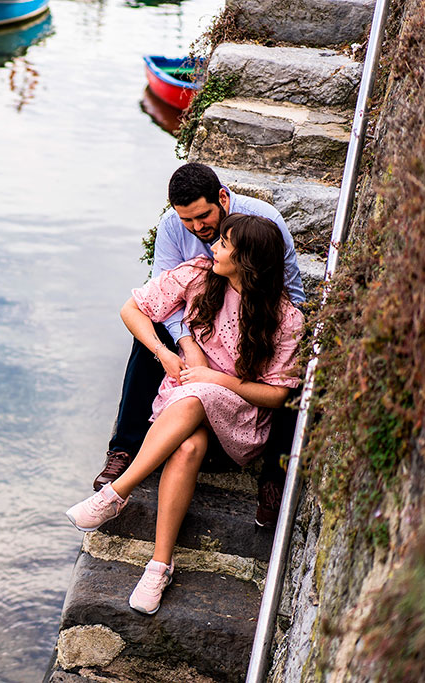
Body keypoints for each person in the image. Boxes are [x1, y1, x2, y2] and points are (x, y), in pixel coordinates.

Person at [66, 213, 303, 614]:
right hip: (184, 401)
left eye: (224, 245)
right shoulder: (199, 275)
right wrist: (166, 352)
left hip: (239, 419)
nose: (213, 248)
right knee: (188, 446)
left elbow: (279, 396)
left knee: (194, 398)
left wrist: (216, 378)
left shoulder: (286, 319)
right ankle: (160, 565)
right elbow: (132, 309)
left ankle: (116, 494)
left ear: (246, 261)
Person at [94, 163, 305, 525]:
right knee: (151, 335)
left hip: (256, 321)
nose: (197, 228)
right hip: (200, 322)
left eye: (204, 217)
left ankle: (274, 476)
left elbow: (292, 291)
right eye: (186, 219)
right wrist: (184, 344)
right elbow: (163, 294)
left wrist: (247, 335)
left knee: (293, 376)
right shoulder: (174, 229)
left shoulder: (263, 219)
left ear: (222, 198)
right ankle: (125, 448)